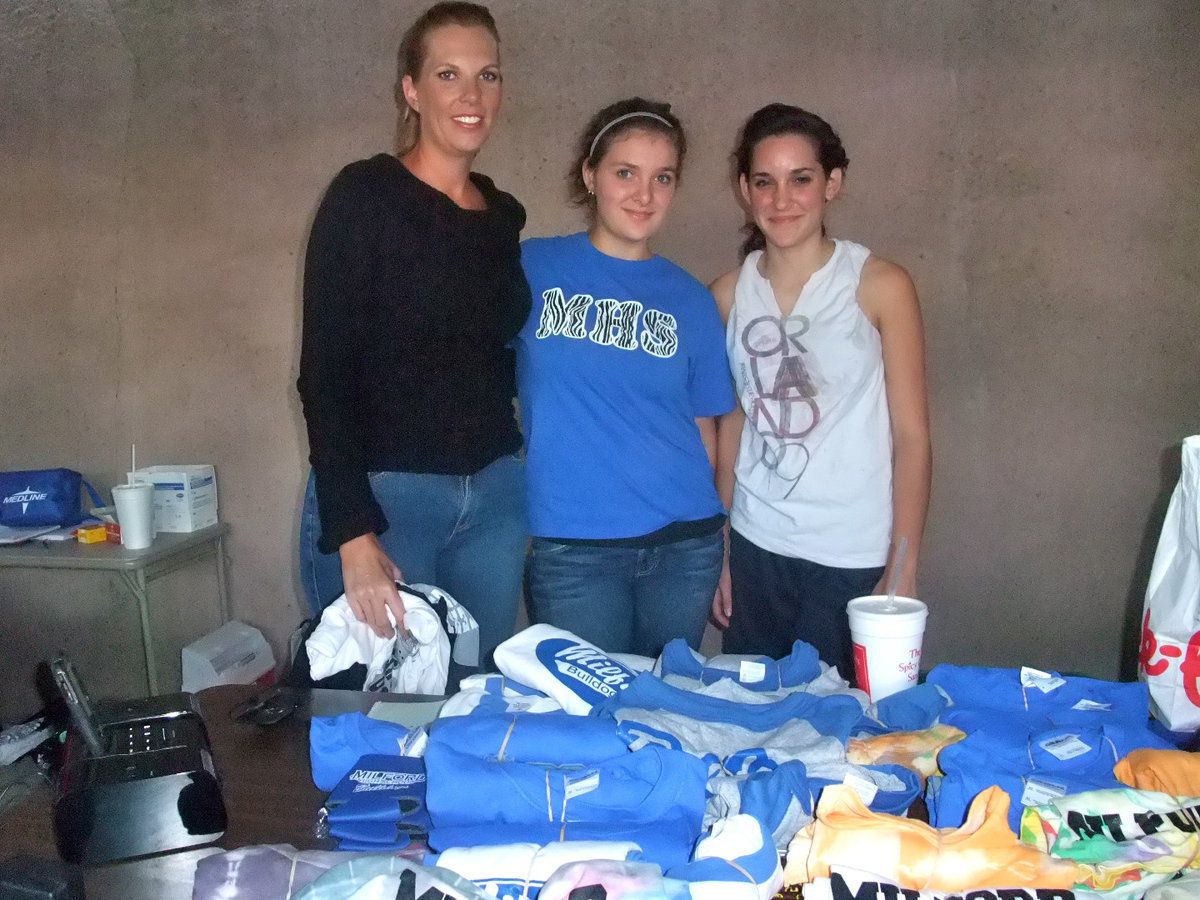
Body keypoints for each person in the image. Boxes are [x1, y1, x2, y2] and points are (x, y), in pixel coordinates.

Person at [296, 2, 529, 666]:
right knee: (383, 726)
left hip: (492, 502)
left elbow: (493, 357)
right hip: (390, 500)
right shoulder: (365, 197)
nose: (471, 95)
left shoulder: (501, 217)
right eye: (448, 74)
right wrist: (353, 531)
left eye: (488, 75)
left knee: (478, 706)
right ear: (411, 90)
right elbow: (325, 374)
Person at [710, 103, 931, 679]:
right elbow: (732, 425)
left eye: (800, 178)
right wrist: (725, 548)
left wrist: (903, 564)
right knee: (752, 721)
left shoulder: (880, 285)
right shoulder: (728, 296)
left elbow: (912, 437)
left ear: (832, 183)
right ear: (745, 189)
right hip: (758, 549)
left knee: (842, 735)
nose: (781, 199)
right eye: (765, 181)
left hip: (852, 558)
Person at [514, 98, 737, 657]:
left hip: (686, 546)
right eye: (625, 173)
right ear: (591, 175)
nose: (644, 195)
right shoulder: (530, 268)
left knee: (667, 712)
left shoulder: (690, 299)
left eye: (662, 178)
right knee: (590, 721)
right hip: (576, 550)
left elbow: (706, 428)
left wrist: (723, 542)